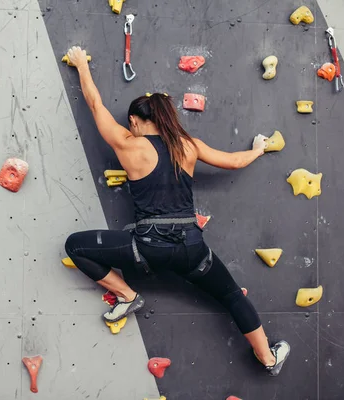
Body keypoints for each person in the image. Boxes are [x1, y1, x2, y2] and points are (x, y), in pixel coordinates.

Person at [62, 46, 290, 376]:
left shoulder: (128, 143)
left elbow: (95, 104)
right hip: (192, 250)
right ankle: (268, 358)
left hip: (148, 249)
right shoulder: (188, 145)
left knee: (76, 246)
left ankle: (126, 295)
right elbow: (233, 161)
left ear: (134, 121)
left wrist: (82, 64)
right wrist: (257, 149)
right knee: (230, 296)